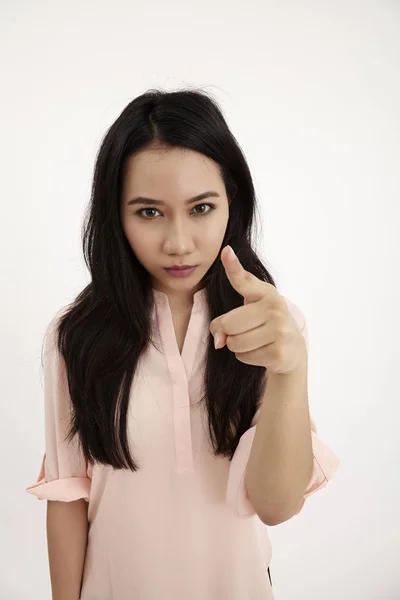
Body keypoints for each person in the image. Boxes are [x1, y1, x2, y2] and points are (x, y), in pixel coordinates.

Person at [26, 88, 340, 600]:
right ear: (116, 216)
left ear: (231, 203)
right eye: (149, 213)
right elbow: (67, 495)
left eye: (201, 208)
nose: (178, 242)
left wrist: (291, 369)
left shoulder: (272, 327)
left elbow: (277, 506)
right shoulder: (76, 336)